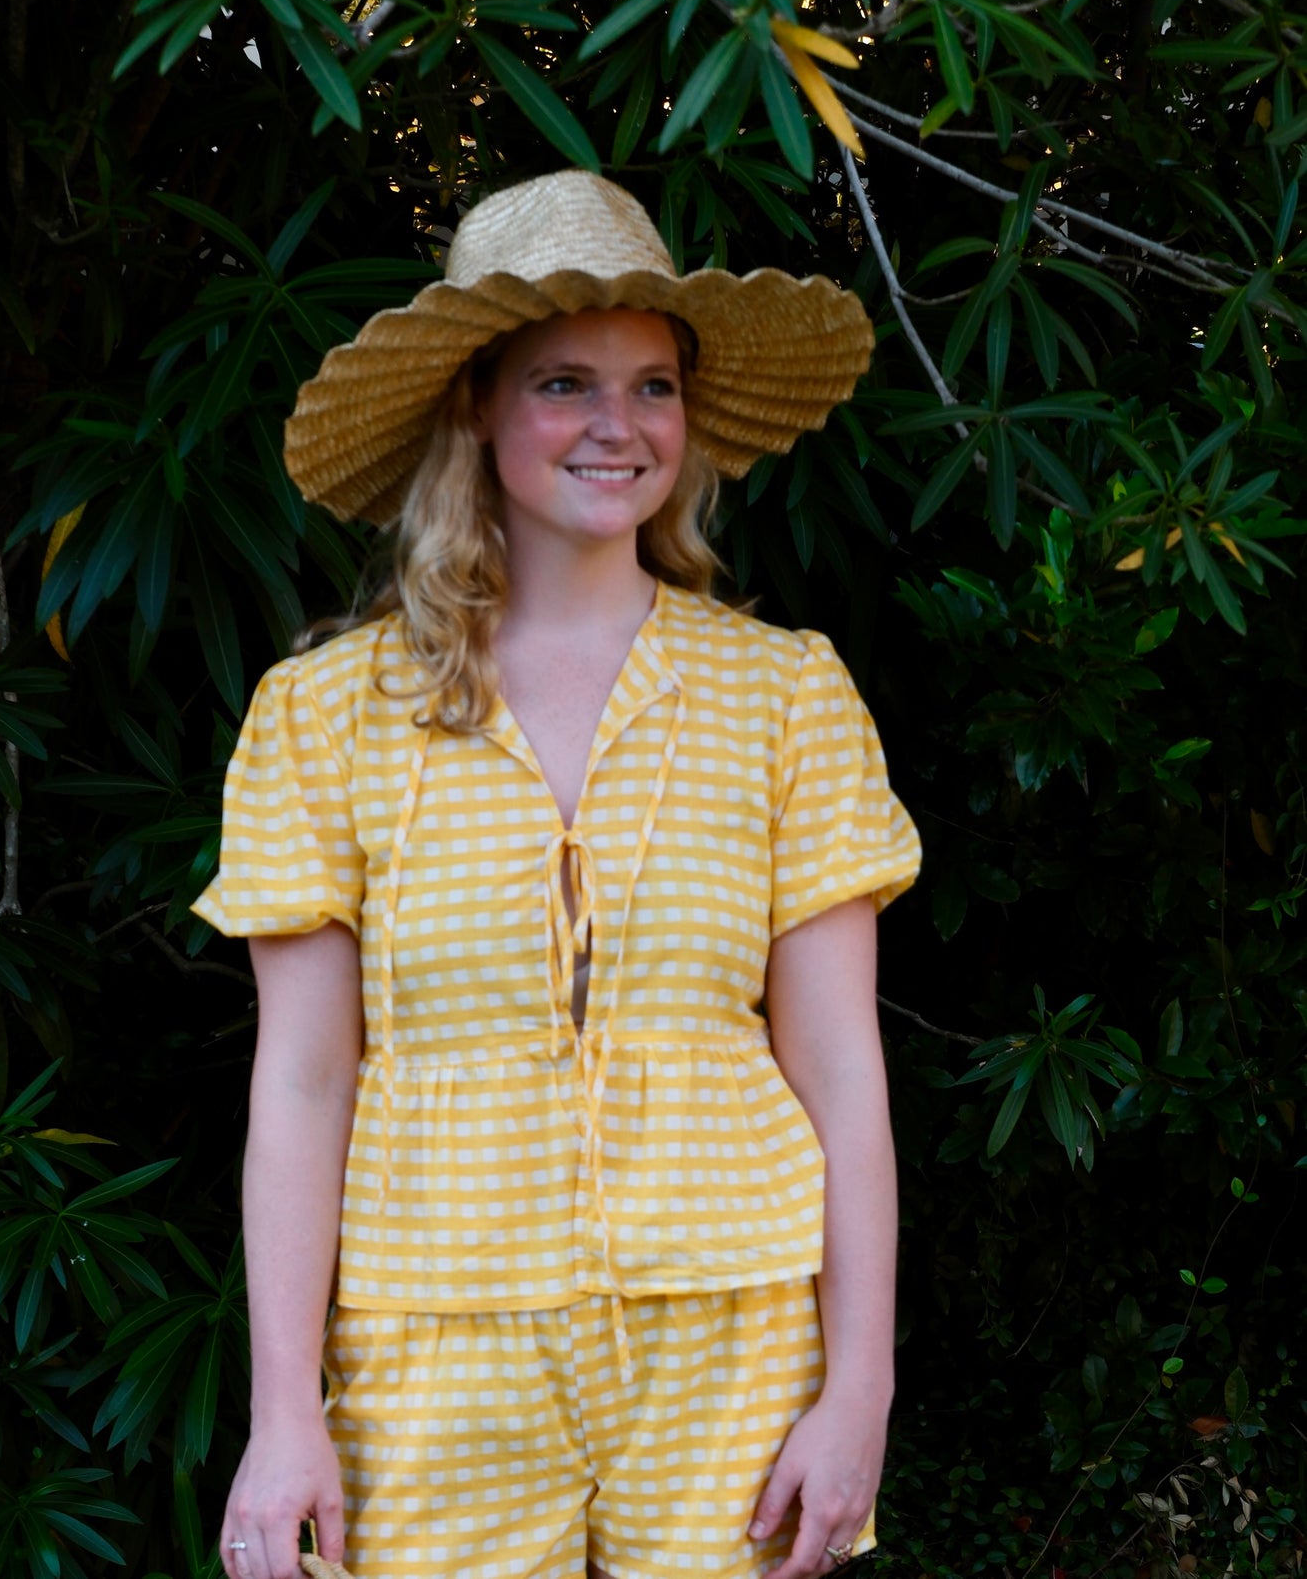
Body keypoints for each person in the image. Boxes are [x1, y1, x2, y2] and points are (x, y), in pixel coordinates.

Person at [193, 170, 920, 1579]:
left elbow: (837, 1059)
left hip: (730, 1322)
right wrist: (285, 1411)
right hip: (433, 1332)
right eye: (564, 383)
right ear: (476, 402)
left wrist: (860, 1386)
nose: (617, 426)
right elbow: (300, 1079)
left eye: (653, 387)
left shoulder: (785, 697)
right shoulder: (324, 715)